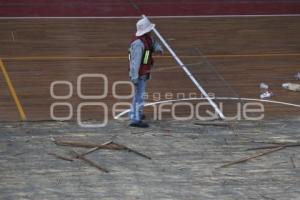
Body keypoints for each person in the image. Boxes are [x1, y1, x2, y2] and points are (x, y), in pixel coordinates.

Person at [128, 17, 163, 128]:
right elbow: (135, 62)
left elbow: (153, 44)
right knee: (139, 96)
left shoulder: (146, 38)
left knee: (138, 95)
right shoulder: (138, 44)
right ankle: (135, 119)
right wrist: (134, 76)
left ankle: (135, 113)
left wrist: (158, 48)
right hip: (139, 74)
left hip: (144, 72)